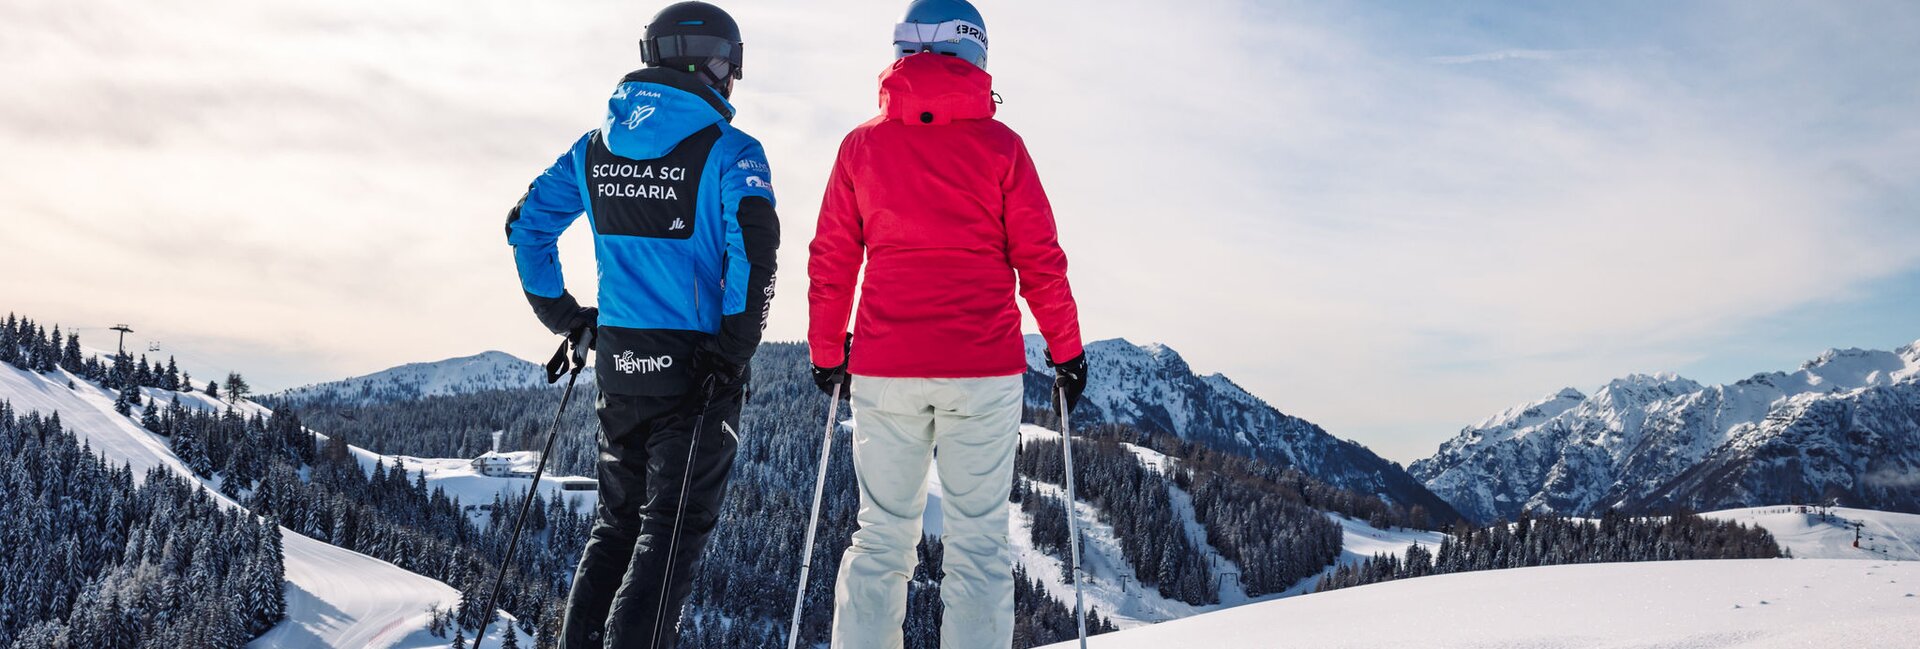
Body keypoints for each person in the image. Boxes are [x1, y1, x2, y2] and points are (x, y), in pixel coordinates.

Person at [806, 1, 1087, 646]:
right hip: (982, 367)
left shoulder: (861, 147)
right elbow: (1040, 260)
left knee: (881, 537)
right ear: (973, 52)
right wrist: (1067, 352)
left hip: (886, 365)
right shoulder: (1001, 148)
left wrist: (827, 353)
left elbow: (832, 259)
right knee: (978, 545)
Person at [502, 3, 778, 647]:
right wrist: (732, 352)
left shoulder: (594, 148)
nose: (732, 80)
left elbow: (525, 227)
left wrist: (566, 318)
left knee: (617, 527)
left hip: (620, 367)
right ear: (712, 63)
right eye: (731, 65)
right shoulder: (731, 150)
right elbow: (754, 250)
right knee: (671, 534)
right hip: (697, 371)